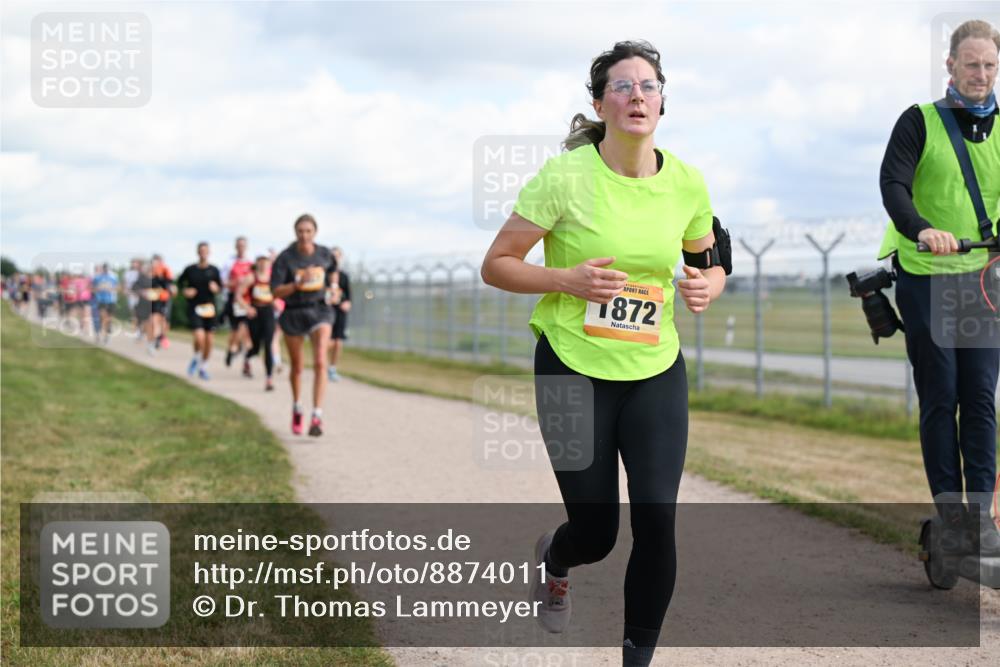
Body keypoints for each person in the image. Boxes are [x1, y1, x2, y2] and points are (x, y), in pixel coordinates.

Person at [481, 41, 726, 667]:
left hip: (655, 369)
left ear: (662, 102)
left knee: (657, 521)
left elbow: (709, 259)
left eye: (648, 86)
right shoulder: (564, 178)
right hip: (571, 366)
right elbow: (497, 264)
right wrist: (565, 280)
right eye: (622, 86)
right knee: (596, 533)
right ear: (599, 104)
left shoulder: (686, 182)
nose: (637, 96)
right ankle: (555, 557)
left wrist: (710, 284)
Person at [878, 19, 1000, 550]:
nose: (981, 74)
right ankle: (952, 517)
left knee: (980, 397)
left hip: (980, 281)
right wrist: (921, 228)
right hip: (927, 276)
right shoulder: (919, 121)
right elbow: (893, 184)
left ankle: (982, 518)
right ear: (950, 65)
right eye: (971, 63)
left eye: (990, 64)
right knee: (941, 394)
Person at [271, 214, 336, 436]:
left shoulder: (324, 254)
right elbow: (275, 291)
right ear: (295, 232)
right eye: (300, 231)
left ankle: (317, 415)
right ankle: (297, 406)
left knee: (320, 361)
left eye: (308, 231)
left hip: (319, 310)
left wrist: (334, 288)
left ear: (315, 232)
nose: (304, 235)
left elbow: (333, 273)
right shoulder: (285, 259)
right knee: (297, 366)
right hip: (294, 312)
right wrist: (297, 284)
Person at [178, 242, 222, 380]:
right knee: (199, 337)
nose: (203, 253)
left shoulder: (214, 270)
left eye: (205, 251)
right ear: (198, 252)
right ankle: (197, 357)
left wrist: (216, 288)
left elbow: (220, 287)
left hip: (209, 308)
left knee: (209, 340)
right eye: (201, 250)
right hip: (195, 307)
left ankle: (203, 367)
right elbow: (180, 283)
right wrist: (185, 291)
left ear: (209, 253)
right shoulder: (190, 269)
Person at [242, 255, 278, 391]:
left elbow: (279, 294)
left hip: (268, 312)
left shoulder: (273, 279)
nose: (263, 265)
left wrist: (277, 302)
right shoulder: (251, 278)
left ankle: (269, 379)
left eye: (266, 262)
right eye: (261, 262)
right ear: (257, 264)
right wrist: (247, 308)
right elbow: (238, 295)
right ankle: (247, 358)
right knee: (256, 347)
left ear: (269, 264)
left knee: (268, 345)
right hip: (255, 313)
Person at [221, 236, 254, 368]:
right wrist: (235, 283)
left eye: (243, 245)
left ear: (246, 247)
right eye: (239, 245)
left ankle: (242, 355)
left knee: (245, 328)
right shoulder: (229, 262)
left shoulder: (251, 263)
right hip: (234, 299)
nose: (241, 248)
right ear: (236, 247)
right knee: (236, 329)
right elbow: (223, 282)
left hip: (248, 300)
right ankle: (233, 348)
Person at [326, 246, 351, 381]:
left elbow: (348, 295)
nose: (335, 258)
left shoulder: (344, 276)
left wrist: (347, 303)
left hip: (340, 311)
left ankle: (332, 368)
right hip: (327, 311)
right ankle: (323, 364)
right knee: (328, 341)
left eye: (337, 255)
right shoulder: (324, 275)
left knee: (338, 342)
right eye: (333, 255)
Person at [147, 255, 176, 355]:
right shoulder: (150, 272)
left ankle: (161, 337)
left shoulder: (166, 271)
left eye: (158, 262)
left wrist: (172, 289)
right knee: (154, 320)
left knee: (164, 322)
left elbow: (170, 284)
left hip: (164, 299)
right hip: (154, 300)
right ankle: (153, 342)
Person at [91, 263, 120, 344]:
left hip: (112, 300)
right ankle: (101, 334)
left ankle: (107, 335)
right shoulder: (97, 277)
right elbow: (92, 288)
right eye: (105, 268)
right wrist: (98, 288)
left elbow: (118, 287)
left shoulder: (114, 276)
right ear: (103, 269)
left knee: (109, 319)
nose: (106, 270)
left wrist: (111, 289)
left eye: (107, 268)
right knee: (103, 317)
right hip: (101, 300)